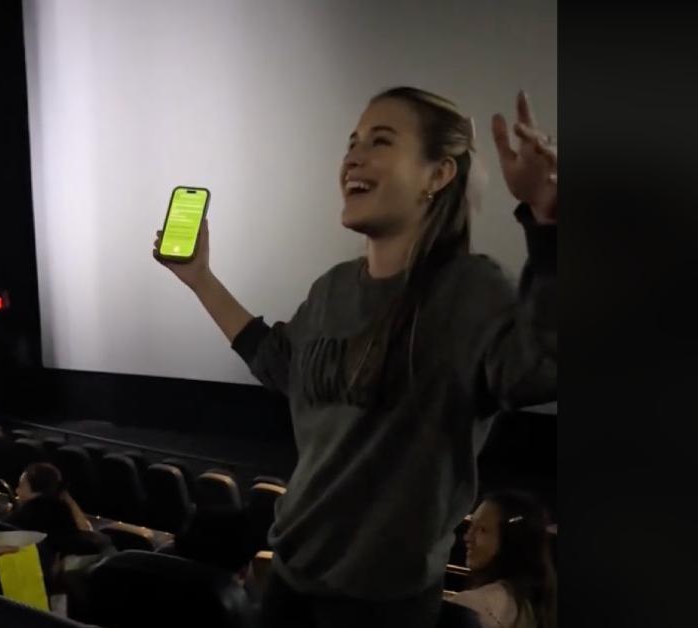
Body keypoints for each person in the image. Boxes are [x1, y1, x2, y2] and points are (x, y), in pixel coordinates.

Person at [153, 87, 556, 627]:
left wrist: (547, 220)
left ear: (438, 175)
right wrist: (199, 278)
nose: (353, 157)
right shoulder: (332, 290)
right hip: (290, 584)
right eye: (352, 142)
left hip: (381, 608)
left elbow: (538, 370)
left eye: (380, 141)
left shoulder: (471, 290)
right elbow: (277, 363)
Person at [450, 491, 557, 628]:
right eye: (472, 526)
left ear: (511, 541)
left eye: (482, 529)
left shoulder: (471, 607)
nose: (467, 537)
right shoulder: (541, 605)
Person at [13, 462, 94, 532]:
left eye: (21, 486)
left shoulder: (23, 519)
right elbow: (86, 530)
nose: (17, 490)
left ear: (37, 493)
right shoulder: (63, 516)